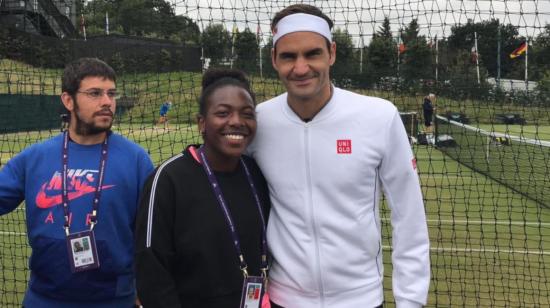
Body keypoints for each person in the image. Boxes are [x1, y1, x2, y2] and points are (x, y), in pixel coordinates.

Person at [246, 4, 430, 308]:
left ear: (331, 53)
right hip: (282, 300)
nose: (301, 67)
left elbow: (409, 218)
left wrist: (410, 301)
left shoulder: (379, 117)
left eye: (312, 53)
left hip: (361, 300)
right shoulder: (259, 122)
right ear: (274, 60)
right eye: (289, 56)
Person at [0, 58, 154, 307]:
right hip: (44, 300)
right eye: (95, 93)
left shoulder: (137, 160)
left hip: (115, 300)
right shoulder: (33, 158)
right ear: (68, 100)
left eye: (111, 93)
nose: (107, 102)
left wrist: (146, 286)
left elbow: (152, 236)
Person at [135, 68, 270, 307]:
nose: (237, 122)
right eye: (223, 113)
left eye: (247, 114)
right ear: (202, 123)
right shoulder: (168, 179)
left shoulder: (257, 174)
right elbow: (152, 271)